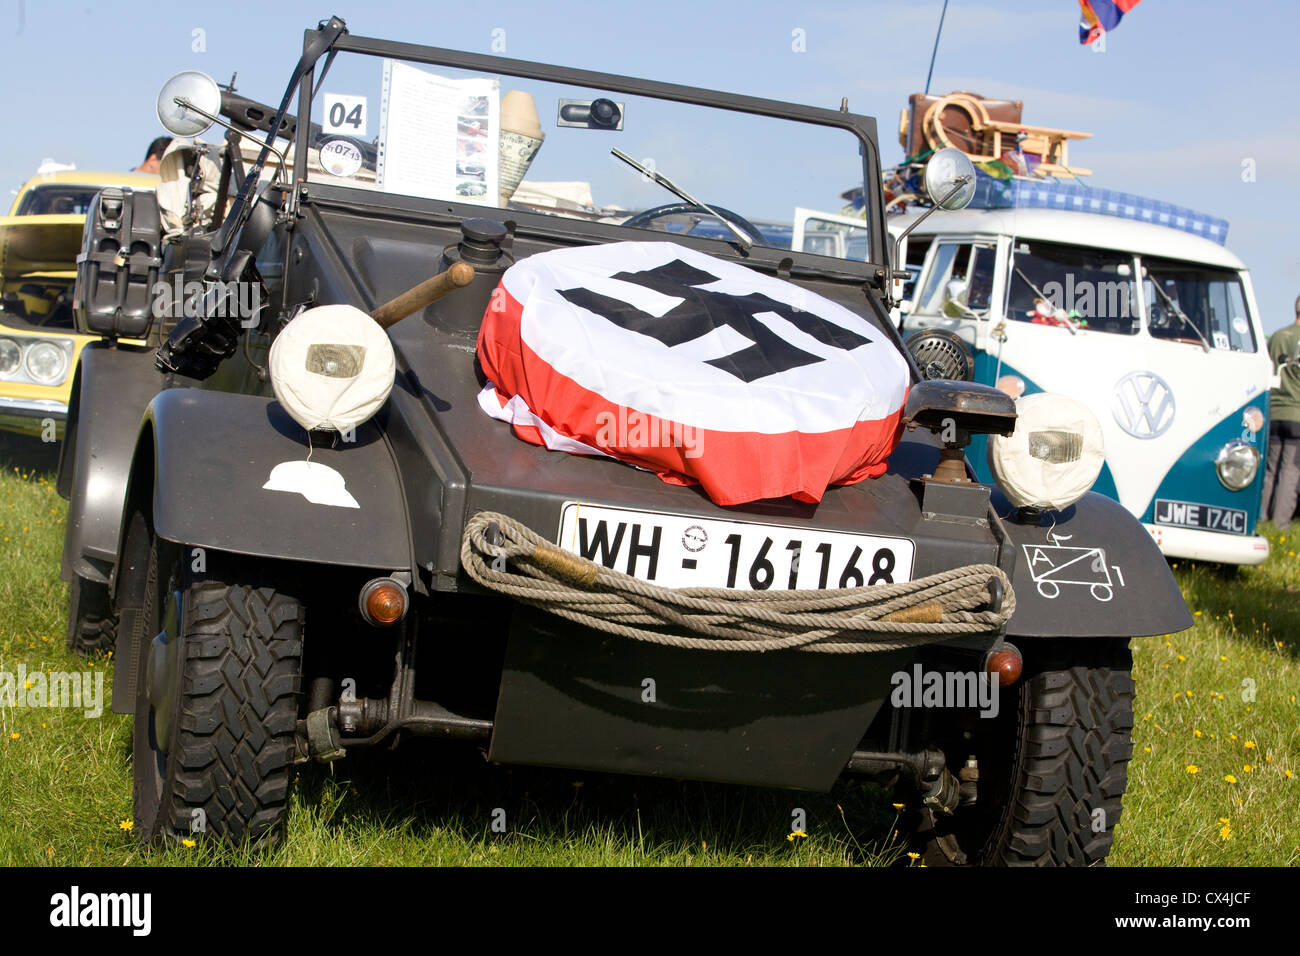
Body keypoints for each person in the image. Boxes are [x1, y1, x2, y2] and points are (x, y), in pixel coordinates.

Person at [1260, 294, 1300, 530]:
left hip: (1274, 412)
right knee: (1290, 470)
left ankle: (1262, 517)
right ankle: (1281, 524)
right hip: (1297, 415)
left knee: (1270, 468)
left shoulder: (1276, 337)